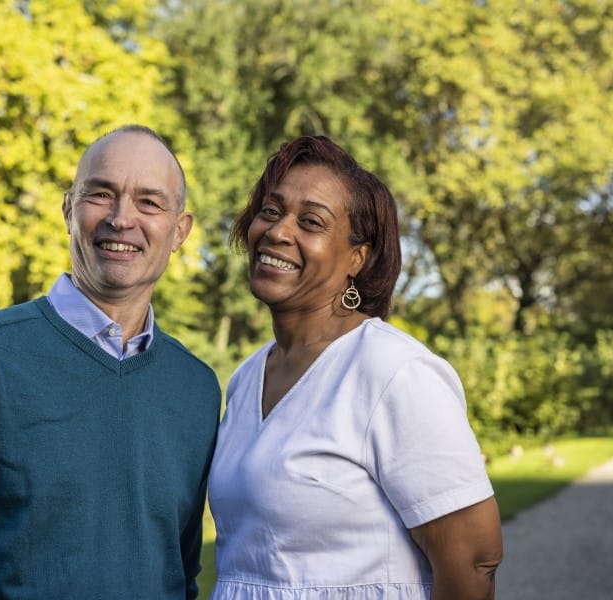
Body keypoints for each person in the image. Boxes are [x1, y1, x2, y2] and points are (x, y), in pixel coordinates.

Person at [0, 125, 221, 599]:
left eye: (149, 202)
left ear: (180, 231)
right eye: (101, 194)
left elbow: (179, 573)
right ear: (69, 209)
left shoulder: (196, 389)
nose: (122, 219)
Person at [207, 135, 503, 599]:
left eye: (311, 221)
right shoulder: (246, 378)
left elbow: (473, 559)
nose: (279, 231)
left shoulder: (391, 371)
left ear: (356, 258)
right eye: (271, 210)